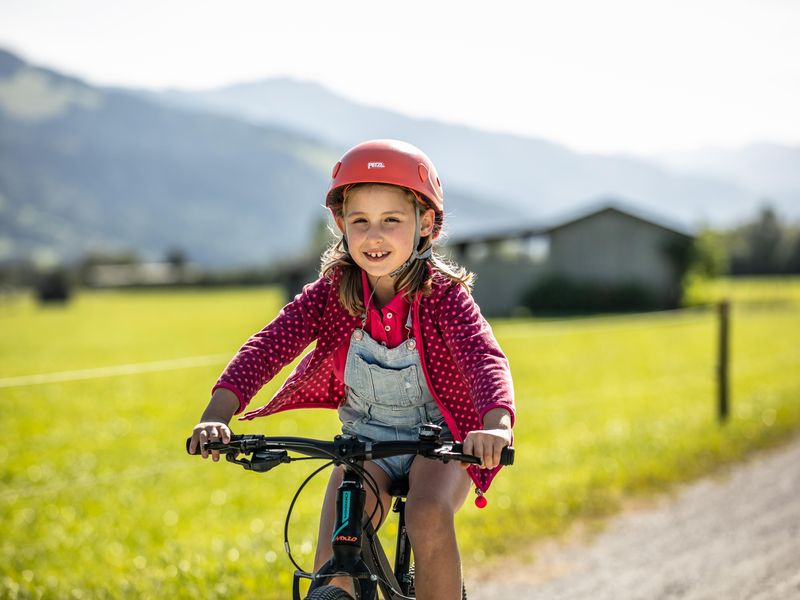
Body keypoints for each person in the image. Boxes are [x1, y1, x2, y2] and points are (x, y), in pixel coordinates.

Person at [188, 139, 515, 599]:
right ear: (341, 224)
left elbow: (484, 359)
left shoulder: (444, 297)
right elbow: (269, 346)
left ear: (426, 225)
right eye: (360, 221)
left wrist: (496, 426)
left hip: (443, 439)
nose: (374, 235)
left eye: (391, 221)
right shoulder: (331, 293)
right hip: (366, 440)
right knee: (336, 550)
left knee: (426, 513)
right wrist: (216, 414)